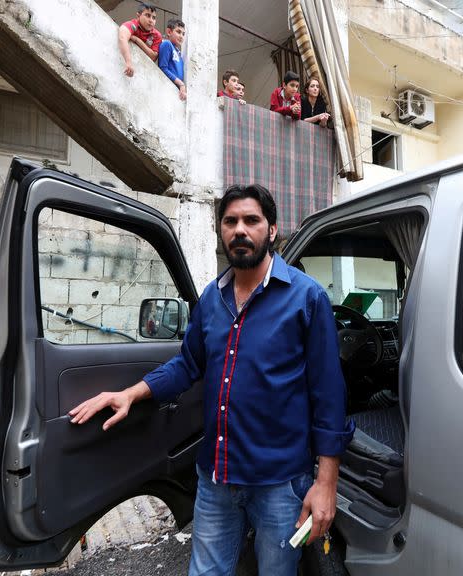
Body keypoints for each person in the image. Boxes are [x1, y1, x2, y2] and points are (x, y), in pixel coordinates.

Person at [69, 184, 353, 576]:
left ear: (272, 230)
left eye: (251, 220)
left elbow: (329, 397)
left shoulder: (307, 299)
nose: (240, 230)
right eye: (230, 221)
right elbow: (187, 365)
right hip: (216, 478)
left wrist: (326, 484)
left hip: (280, 483)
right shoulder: (211, 298)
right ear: (221, 231)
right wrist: (131, 394)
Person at [118, 3, 163, 77]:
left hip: (145, 74)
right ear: (138, 16)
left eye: (154, 18)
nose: (151, 20)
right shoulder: (132, 25)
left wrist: (136, 40)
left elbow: (153, 57)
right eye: (148, 15)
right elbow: (122, 37)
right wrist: (128, 62)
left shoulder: (157, 35)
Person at [157, 18, 187, 101]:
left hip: (175, 93)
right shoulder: (167, 44)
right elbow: (163, 68)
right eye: (178, 32)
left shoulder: (179, 53)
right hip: (167, 89)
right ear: (169, 32)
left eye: (183, 34)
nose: (181, 36)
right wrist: (181, 84)